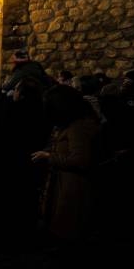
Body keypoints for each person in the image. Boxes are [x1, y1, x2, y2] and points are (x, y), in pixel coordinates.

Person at [32, 86, 101, 239]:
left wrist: (48, 156)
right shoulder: (72, 123)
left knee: (69, 230)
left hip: (73, 188)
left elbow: (80, 160)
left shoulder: (78, 127)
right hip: (66, 184)